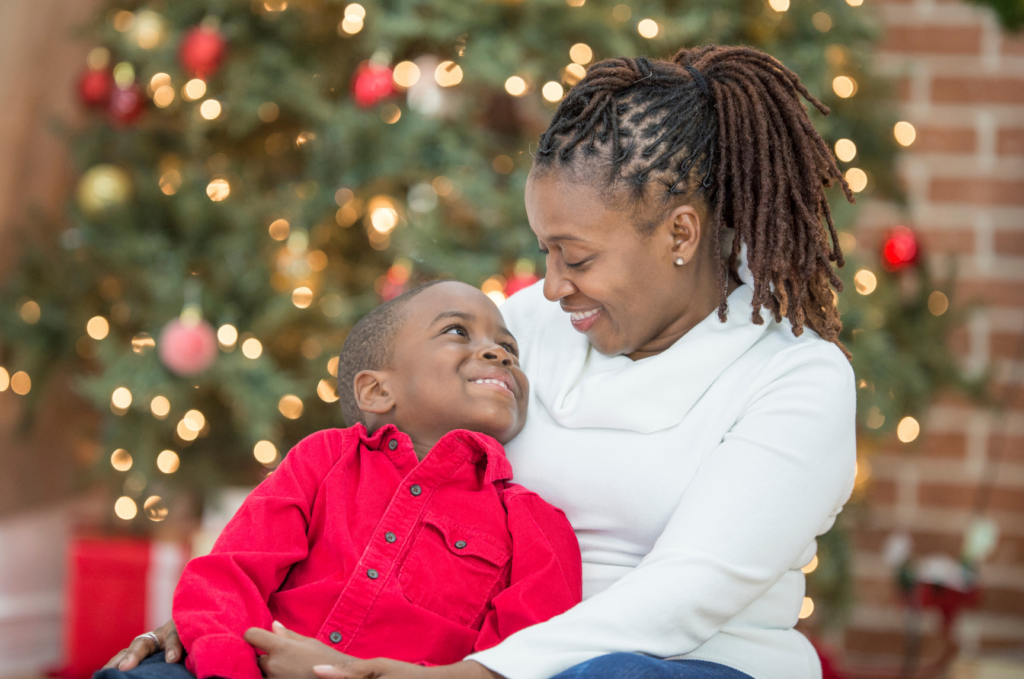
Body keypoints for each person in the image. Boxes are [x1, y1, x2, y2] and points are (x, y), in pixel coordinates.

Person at [106, 44, 857, 679]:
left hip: (676, 662)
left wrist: (465, 676)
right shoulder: (524, 326)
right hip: (448, 651)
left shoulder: (796, 379)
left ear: (680, 233)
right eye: (545, 252)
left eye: (577, 257)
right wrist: (224, 623)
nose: (551, 286)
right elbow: (381, 459)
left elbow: (687, 593)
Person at [98, 280, 582, 679]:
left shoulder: (535, 524)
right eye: (458, 331)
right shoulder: (324, 458)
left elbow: (518, 663)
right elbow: (230, 575)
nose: (499, 354)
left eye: (509, 348)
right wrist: (228, 667)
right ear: (377, 391)